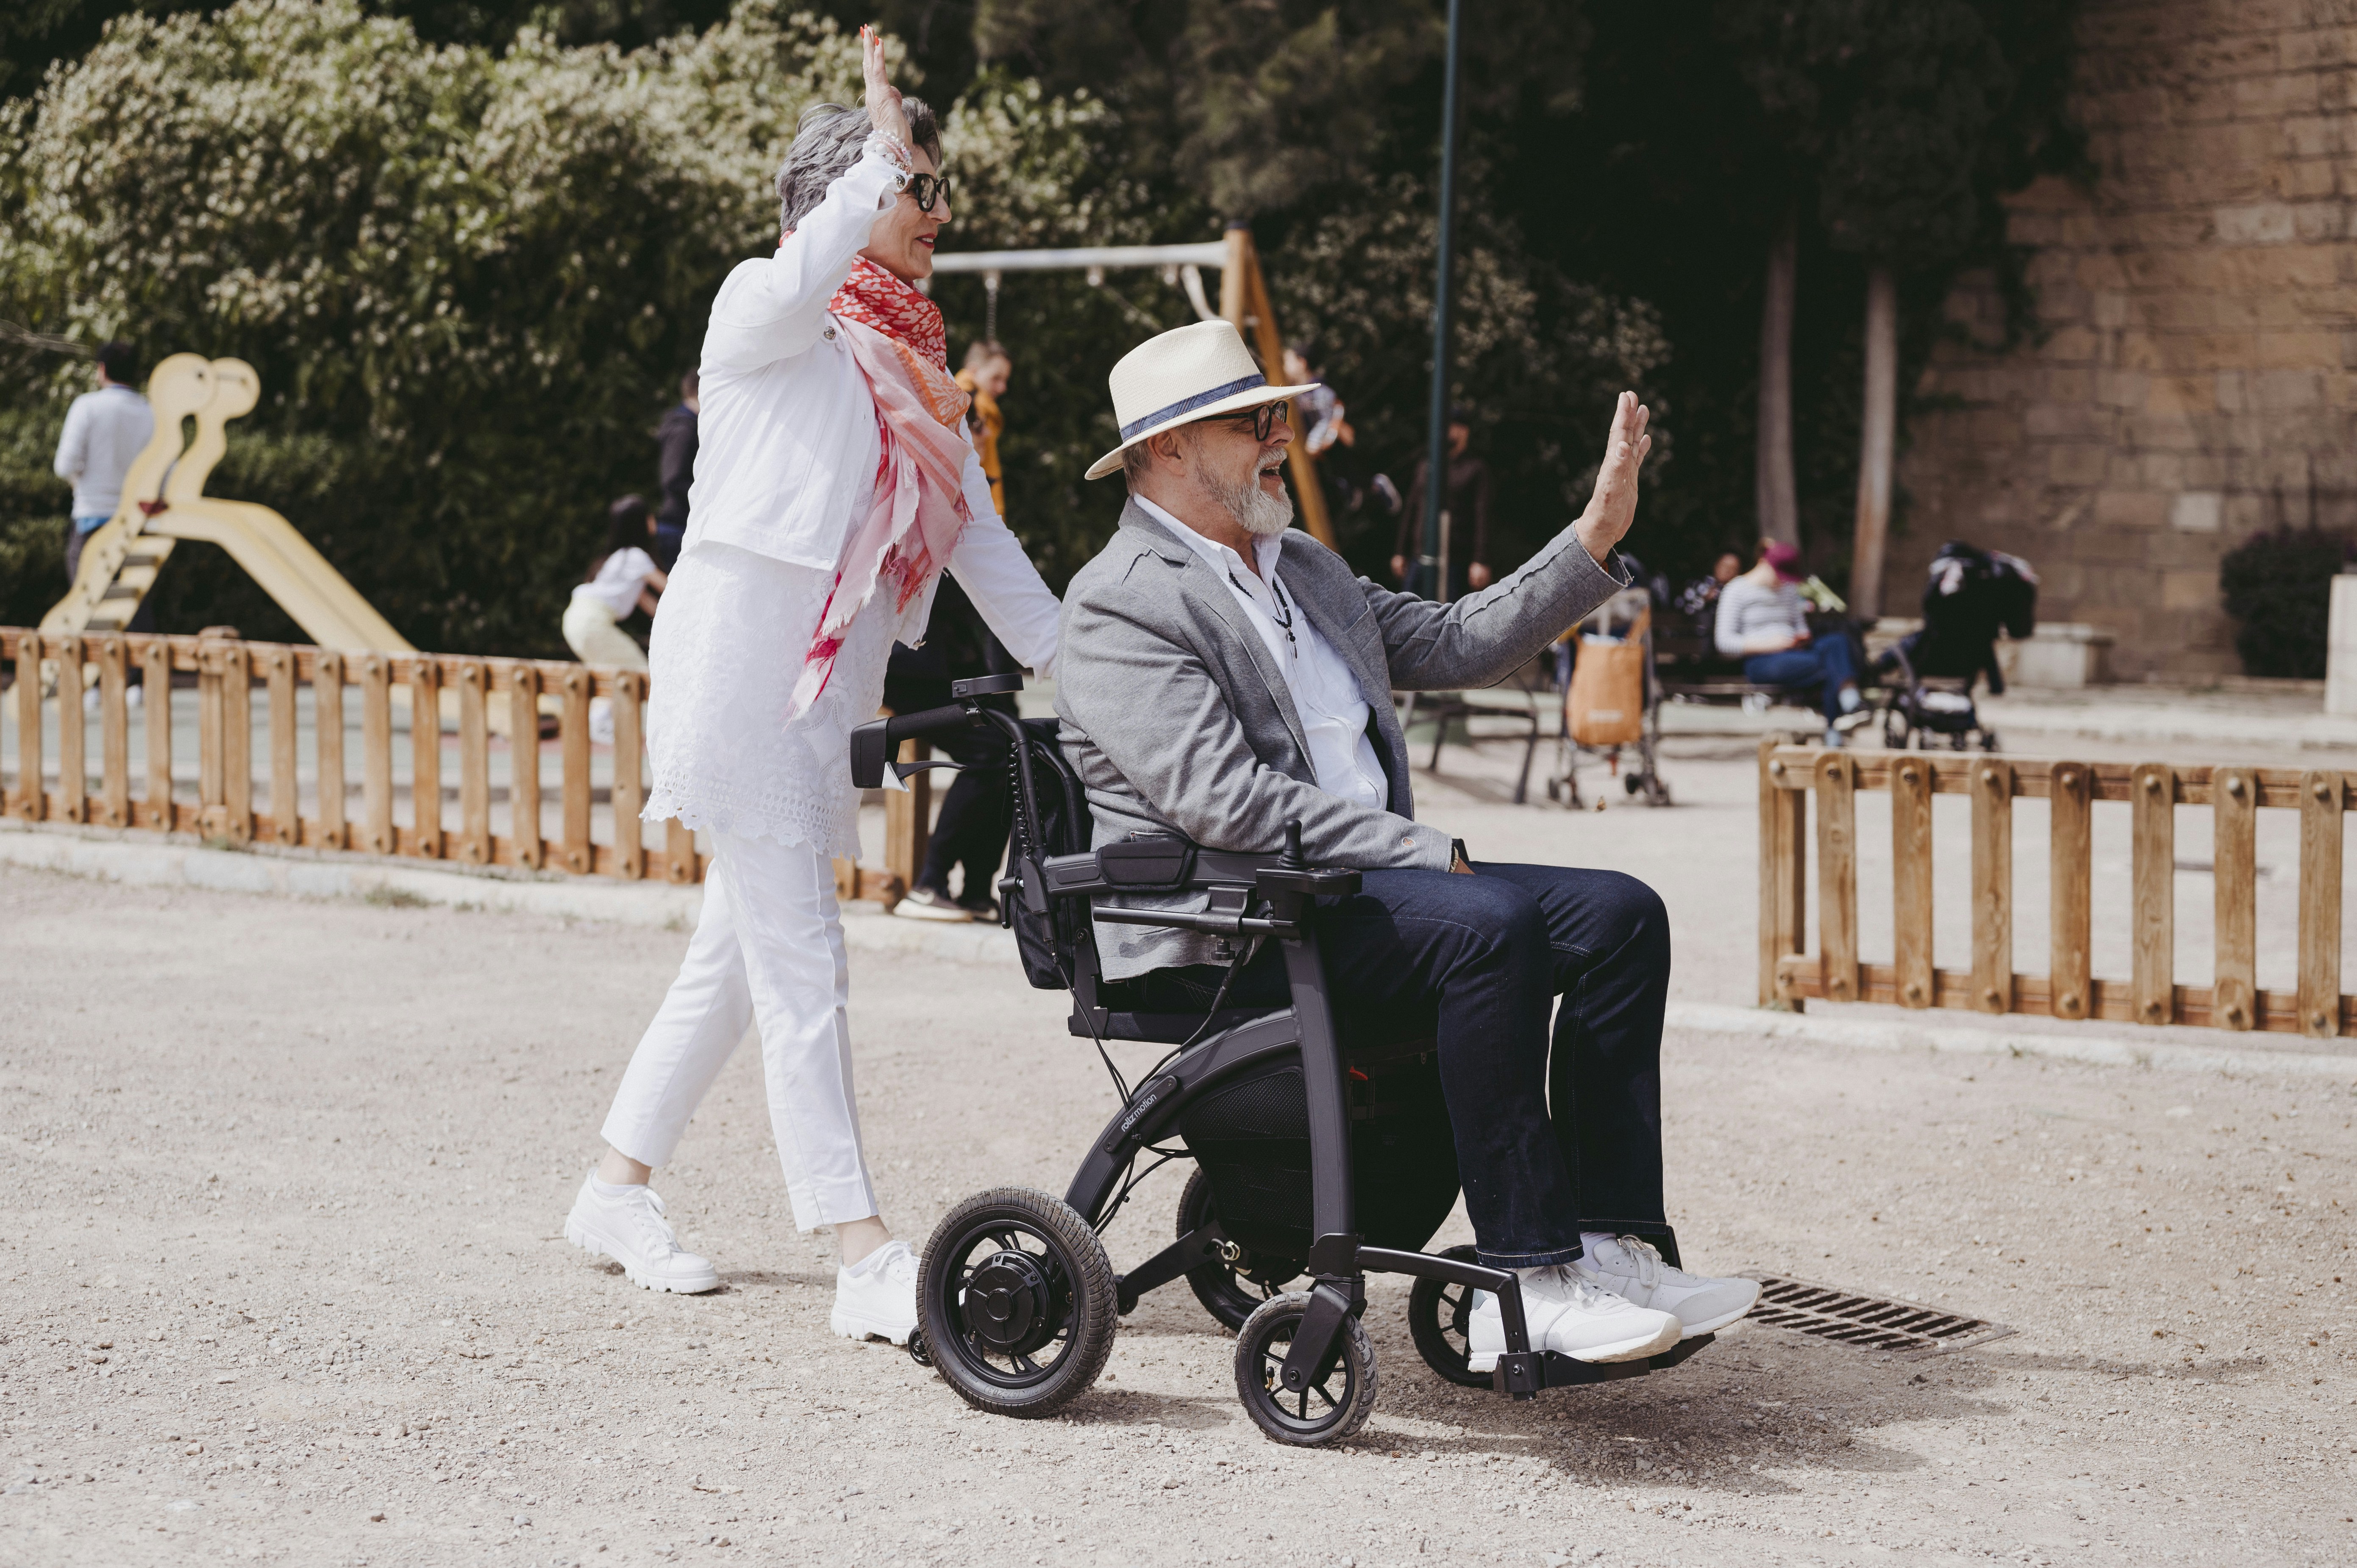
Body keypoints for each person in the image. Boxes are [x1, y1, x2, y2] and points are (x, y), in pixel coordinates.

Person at [1055, 321, 1758, 1367]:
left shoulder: (1302, 566)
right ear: (1166, 450)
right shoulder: (1119, 602)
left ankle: (1613, 1245)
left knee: (1620, 915)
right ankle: (1523, 1279)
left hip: (1352, 892)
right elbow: (1223, 800)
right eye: (1251, 421)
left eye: (1276, 415)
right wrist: (1416, 847)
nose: (1277, 436)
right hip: (1247, 921)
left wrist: (1591, 540)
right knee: (1489, 924)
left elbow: (1453, 641)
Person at [563, 29, 1059, 1346]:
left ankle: (615, 1188)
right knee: (803, 964)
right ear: (848, 194)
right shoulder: (762, 313)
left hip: (815, 692)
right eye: (919, 185)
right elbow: (806, 264)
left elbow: (982, 546)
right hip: (741, 678)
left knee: (737, 961)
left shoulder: (918, 375)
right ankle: (860, 1250)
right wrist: (877, 150)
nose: (939, 209)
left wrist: (1086, 668)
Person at [882, 574, 1016, 921]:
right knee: (991, 751)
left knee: (1017, 748)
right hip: (908, 667)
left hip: (953, 665)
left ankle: (975, 889)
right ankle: (929, 884)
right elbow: (966, 590)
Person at [1715, 540, 1868, 745]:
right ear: (1765, 564)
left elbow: (1800, 625)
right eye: (1781, 576)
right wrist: (1773, 644)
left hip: (1796, 653)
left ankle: (1848, 705)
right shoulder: (1736, 591)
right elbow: (1724, 642)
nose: (1783, 582)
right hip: (1763, 659)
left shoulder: (1787, 589)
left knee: (1837, 642)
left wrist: (1800, 637)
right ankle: (1840, 720)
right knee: (1831, 666)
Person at [564, 496, 667, 746]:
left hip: (576, 619)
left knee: (609, 671)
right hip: (591, 621)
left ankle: (596, 721)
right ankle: (602, 724)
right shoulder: (636, 557)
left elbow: (651, 605)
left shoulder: (618, 558)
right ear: (641, 524)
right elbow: (669, 589)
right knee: (639, 670)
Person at [53, 341, 155, 591]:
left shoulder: (87, 406)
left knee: (85, 608)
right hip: (135, 524)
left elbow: (65, 466)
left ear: (102, 369)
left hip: (92, 520)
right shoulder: (151, 413)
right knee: (131, 609)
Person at [1280, 342, 1398, 519]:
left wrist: (1323, 439)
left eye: (1287, 362)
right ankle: (1354, 489)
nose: (1283, 368)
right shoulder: (1299, 395)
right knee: (1336, 475)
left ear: (1302, 363)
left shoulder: (1319, 390)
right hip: (1318, 446)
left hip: (1329, 441)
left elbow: (1332, 415)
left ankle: (1375, 485)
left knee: (1344, 466)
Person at [1391, 408, 1491, 601]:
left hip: (1455, 562)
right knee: (1406, 611)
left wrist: (1481, 560)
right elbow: (1412, 508)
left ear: (1464, 431)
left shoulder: (1475, 469)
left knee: (1446, 618)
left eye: (1451, 426)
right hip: (1419, 558)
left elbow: (1482, 516)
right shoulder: (1427, 464)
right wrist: (1400, 551)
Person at [954, 340, 1009, 516]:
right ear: (973, 370)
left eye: (1005, 380)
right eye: (996, 378)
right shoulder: (966, 404)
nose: (1003, 388)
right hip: (971, 513)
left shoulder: (955, 397)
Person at [653, 371, 698, 571]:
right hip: (678, 525)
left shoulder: (687, 426)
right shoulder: (684, 430)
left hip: (680, 522)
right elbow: (673, 479)